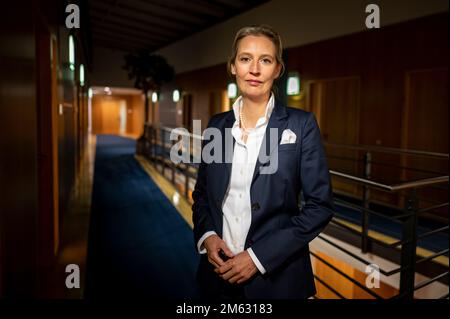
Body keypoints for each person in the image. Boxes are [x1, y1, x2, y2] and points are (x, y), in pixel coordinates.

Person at [192, 24, 334, 299]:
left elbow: (320, 207)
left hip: (278, 281)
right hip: (216, 278)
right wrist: (207, 237)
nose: (254, 69)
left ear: (277, 69)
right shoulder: (216, 126)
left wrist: (257, 257)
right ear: (233, 66)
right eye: (245, 59)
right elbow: (201, 195)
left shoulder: (301, 125)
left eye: (265, 60)